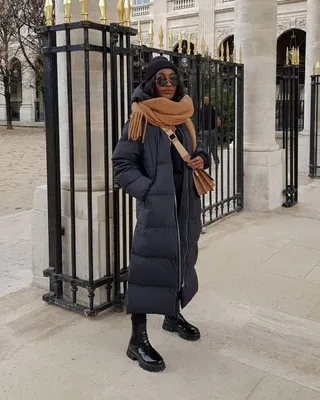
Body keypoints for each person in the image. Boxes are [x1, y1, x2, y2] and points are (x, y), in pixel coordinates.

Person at [112, 56, 211, 373]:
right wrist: (149, 191)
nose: (168, 84)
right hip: (158, 207)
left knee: (181, 258)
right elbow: (122, 166)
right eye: (161, 79)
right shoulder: (140, 119)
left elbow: (199, 147)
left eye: (172, 78)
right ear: (150, 83)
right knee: (146, 269)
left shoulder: (184, 116)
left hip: (186, 203)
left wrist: (201, 159)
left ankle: (172, 315)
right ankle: (136, 339)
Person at [200, 96, 221, 166]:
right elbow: (216, 118)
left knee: (205, 148)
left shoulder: (200, 110)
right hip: (212, 130)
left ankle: (207, 162)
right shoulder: (213, 109)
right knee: (213, 147)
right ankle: (217, 162)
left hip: (203, 131)